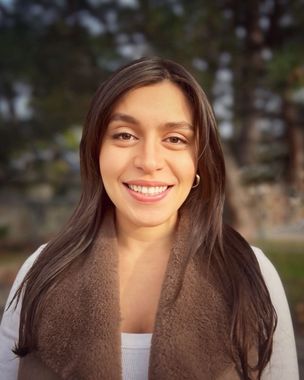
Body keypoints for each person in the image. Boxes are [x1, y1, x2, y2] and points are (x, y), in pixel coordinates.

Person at [0, 57, 299, 380]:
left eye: (175, 139)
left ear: (199, 160)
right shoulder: (41, 271)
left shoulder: (250, 274)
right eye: (125, 135)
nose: (149, 161)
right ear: (96, 151)